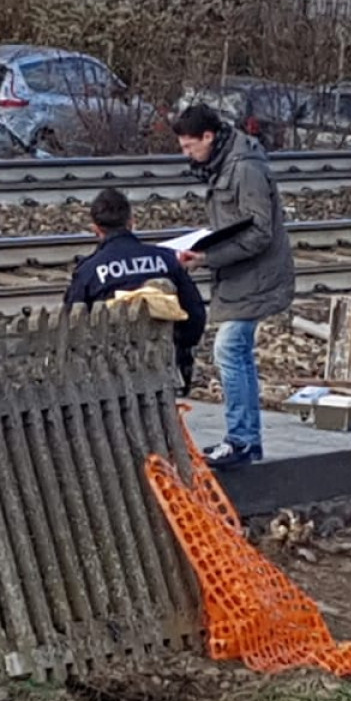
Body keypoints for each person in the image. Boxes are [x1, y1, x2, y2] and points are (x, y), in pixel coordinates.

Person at [171, 102, 295, 470]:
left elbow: (259, 231)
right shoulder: (227, 161)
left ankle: (240, 441)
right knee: (235, 352)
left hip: (257, 276)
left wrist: (209, 257)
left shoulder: (244, 168)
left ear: (209, 137)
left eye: (189, 146)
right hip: (242, 275)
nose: (186, 154)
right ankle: (247, 440)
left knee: (229, 349)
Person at [65, 187, 207, 396]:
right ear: (132, 222)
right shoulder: (166, 259)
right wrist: (181, 349)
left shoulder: (88, 271)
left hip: (112, 371)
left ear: (96, 229)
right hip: (164, 363)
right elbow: (195, 314)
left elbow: (73, 322)